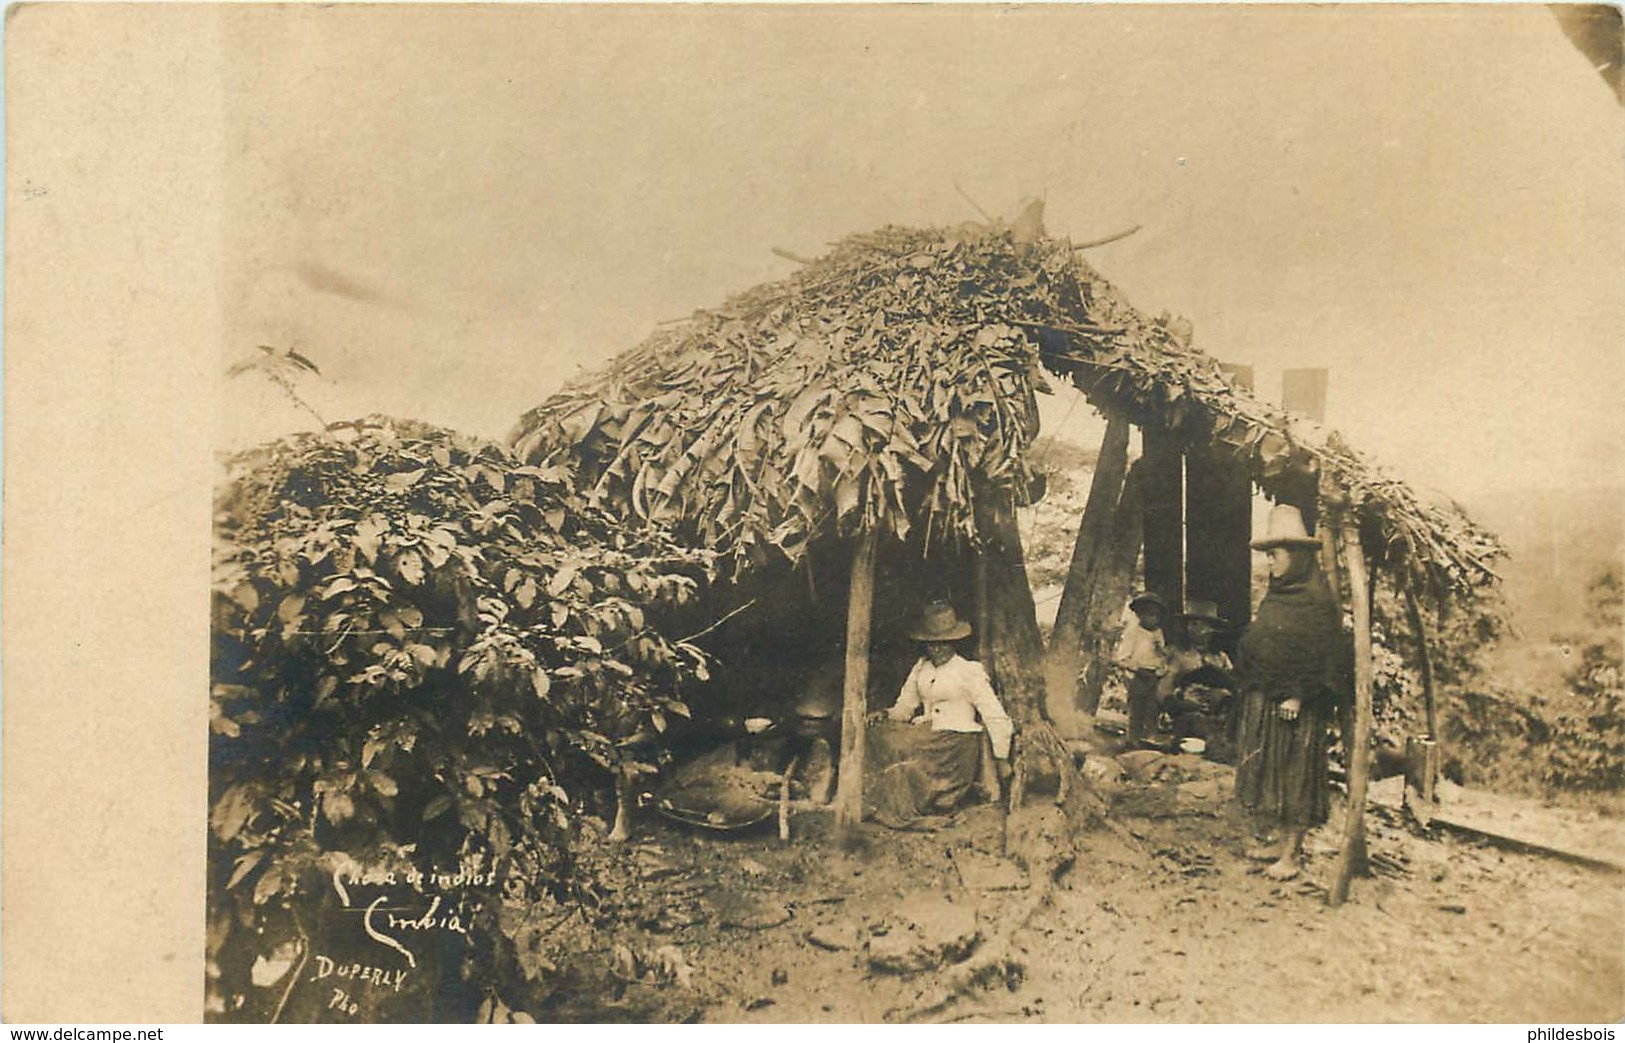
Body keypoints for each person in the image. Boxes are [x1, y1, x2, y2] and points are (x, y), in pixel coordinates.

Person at [1233, 505, 1352, 881]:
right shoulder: (1276, 596)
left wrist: (1298, 694)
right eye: (1268, 555)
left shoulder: (1317, 602)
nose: (1270, 562)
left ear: (1296, 556)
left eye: (1275, 555)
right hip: (1267, 701)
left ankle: (1292, 853)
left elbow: (1326, 655)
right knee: (1268, 773)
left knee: (1295, 775)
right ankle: (1272, 843)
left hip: (1296, 708)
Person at [864, 601, 1013, 829]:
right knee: (876, 734)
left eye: (944, 643)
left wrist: (1001, 757)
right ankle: (875, 800)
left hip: (956, 743)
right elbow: (905, 707)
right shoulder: (922, 668)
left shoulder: (968, 670)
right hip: (926, 734)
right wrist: (885, 714)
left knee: (905, 751)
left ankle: (918, 802)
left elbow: (994, 714)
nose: (937, 649)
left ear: (955, 642)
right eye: (932, 644)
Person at [1158, 599, 1237, 754]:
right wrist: (1181, 703)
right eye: (1191, 624)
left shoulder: (1220, 657)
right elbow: (1163, 690)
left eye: (1200, 624)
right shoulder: (1177, 654)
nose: (1194, 628)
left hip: (1218, 715)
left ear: (1211, 629)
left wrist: (1222, 696)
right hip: (1185, 714)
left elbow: (1233, 686)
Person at [1115, 591, 1169, 745]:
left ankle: (1150, 737)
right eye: (1148, 614)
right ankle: (1133, 739)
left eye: (1155, 615)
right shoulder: (1133, 633)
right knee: (1137, 706)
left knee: (1153, 707)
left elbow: (1161, 658)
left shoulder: (1158, 633)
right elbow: (1122, 657)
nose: (1152, 618)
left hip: (1154, 675)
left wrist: (1161, 662)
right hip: (1138, 675)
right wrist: (1136, 669)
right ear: (1140, 615)